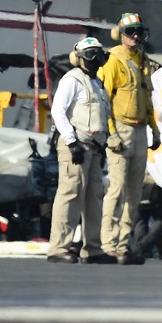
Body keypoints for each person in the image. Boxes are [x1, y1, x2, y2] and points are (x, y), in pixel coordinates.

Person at [49, 36, 117, 264]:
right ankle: (59, 248)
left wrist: (103, 144)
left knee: (94, 198)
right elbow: (58, 111)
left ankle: (93, 249)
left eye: (99, 54)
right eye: (90, 55)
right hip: (76, 145)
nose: (95, 59)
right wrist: (71, 143)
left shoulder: (98, 84)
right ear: (78, 58)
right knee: (70, 195)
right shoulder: (72, 80)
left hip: (94, 148)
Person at [99, 12, 158, 265]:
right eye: (130, 32)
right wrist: (110, 133)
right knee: (117, 190)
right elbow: (104, 100)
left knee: (134, 194)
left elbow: (148, 99)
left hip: (140, 130)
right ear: (120, 34)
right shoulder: (113, 60)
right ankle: (108, 245)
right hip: (121, 130)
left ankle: (123, 246)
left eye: (138, 31)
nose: (135, 36)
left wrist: (155, 129)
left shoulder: (143, 60)